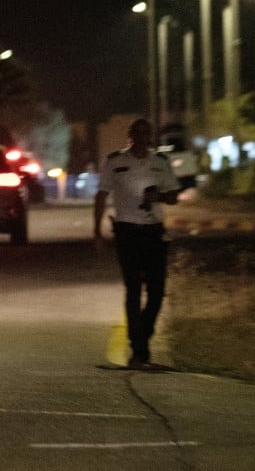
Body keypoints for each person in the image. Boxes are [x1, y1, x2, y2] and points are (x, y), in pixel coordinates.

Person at [93, 117, 181, 369]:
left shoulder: (159, 162)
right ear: (130, 136)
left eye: (147, 134)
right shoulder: (115, 162)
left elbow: (174, 196)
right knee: (133, 289)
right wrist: (96, 231)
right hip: (127, 231)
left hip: (154, 231)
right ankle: (139, 349)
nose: (142, 138)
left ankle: (143, 334)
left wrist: (159, 196)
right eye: (138, 133)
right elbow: (101, 195)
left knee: (156, 291)